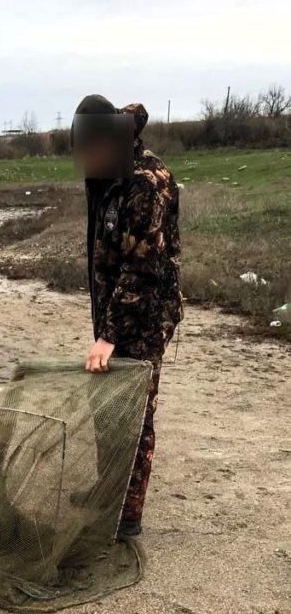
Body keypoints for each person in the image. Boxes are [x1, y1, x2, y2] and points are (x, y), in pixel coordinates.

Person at [72, 95, 183, 536]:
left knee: (135, 412)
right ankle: (107, 491)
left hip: (147, 316)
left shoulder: (148, 182)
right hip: (113, 312)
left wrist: (110, 335)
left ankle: (128, 514)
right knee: (106, 406)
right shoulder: (107, 173)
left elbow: (142, 268)